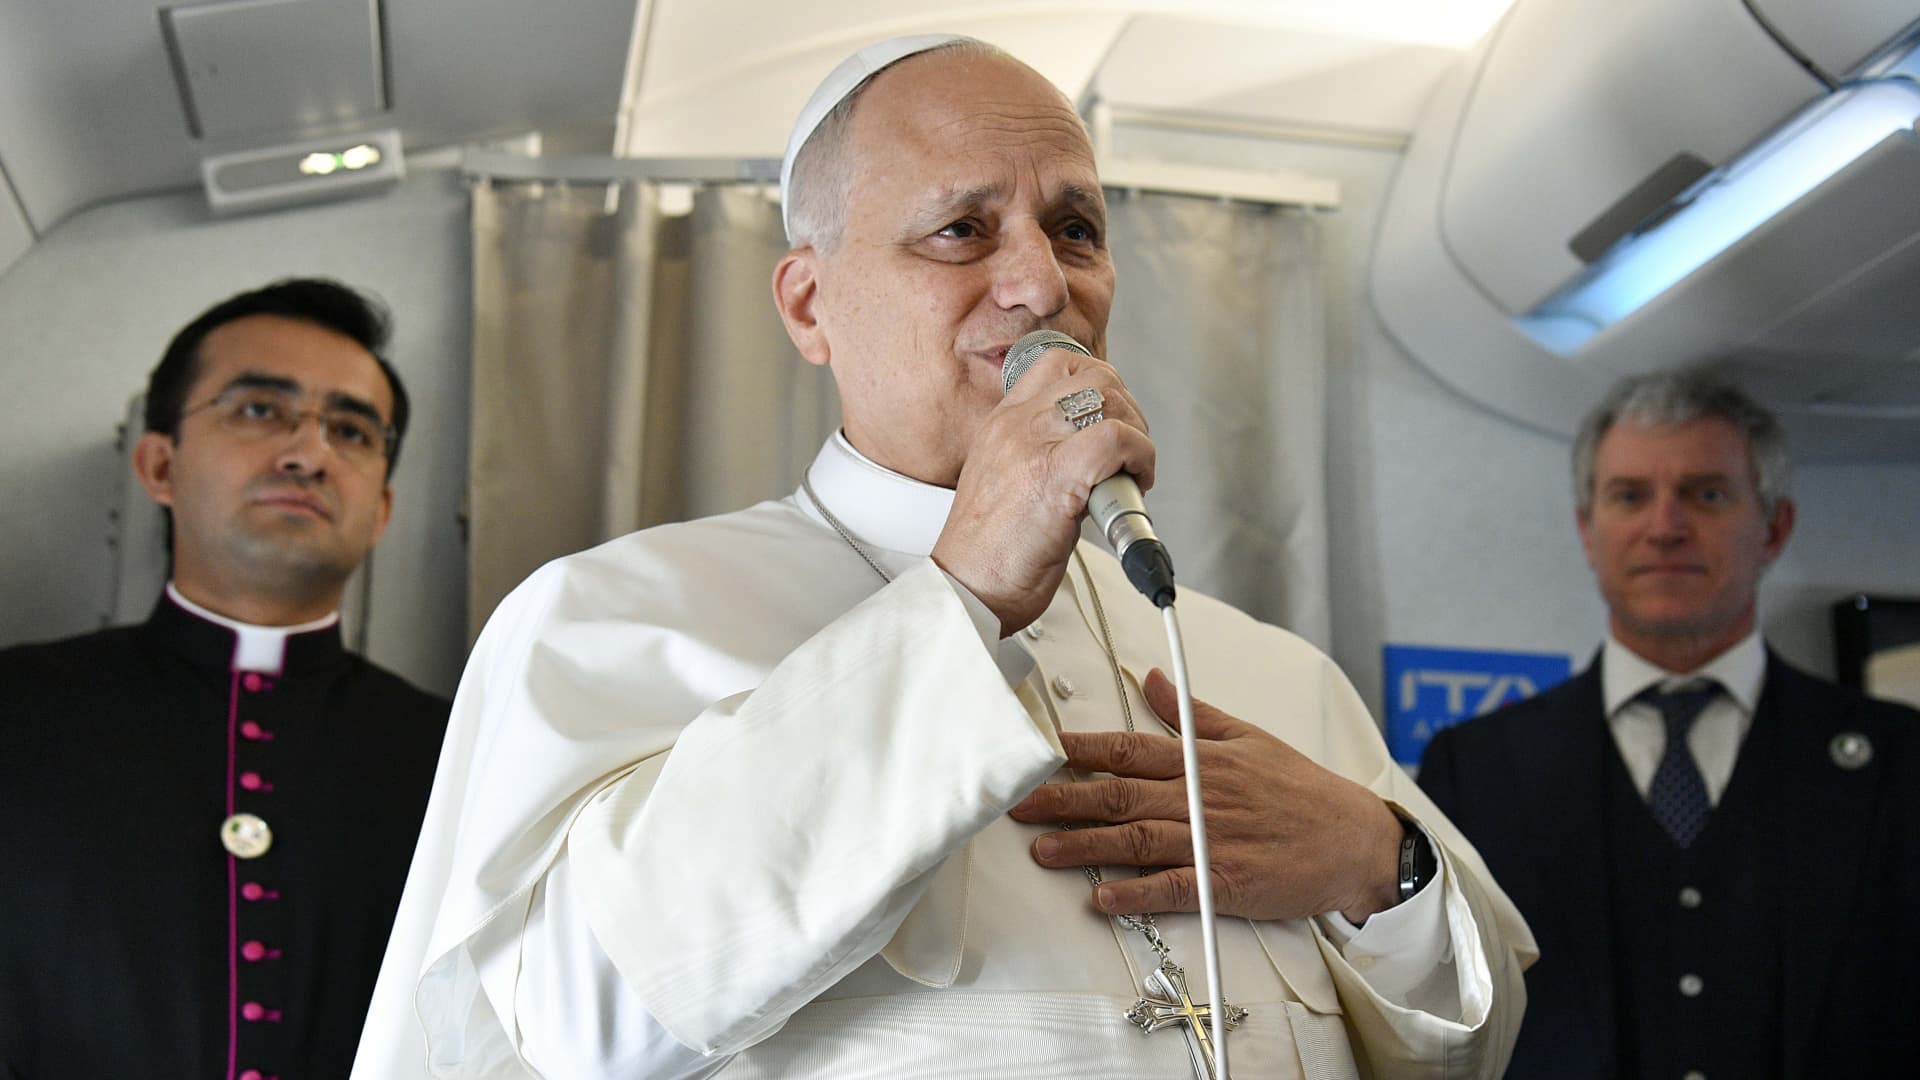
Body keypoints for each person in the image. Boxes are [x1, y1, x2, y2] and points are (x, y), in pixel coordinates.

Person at [355, 36, 1533, 1079]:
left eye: (1076, 230)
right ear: (809, 305)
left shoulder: (1272, 673)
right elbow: (570, 1027)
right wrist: (962, 596)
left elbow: (1475, 1047)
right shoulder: (609, 618)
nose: (1044, 286)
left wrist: (1380, 863)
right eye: (962, 230)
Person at [0, 279, 451, 1079]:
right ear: (160, 464)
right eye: (259, 410)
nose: (308, 454)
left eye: (351, 430)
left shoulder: (455, 752)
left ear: (381, 510)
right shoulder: (18, 708)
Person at [1419, 370, 1920, 1078]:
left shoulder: (1901, 762)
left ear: (1774, 529)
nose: (1664, 527)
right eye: (1630, 496)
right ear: (1587, 530)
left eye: (1706, 494)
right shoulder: (1475, 771)